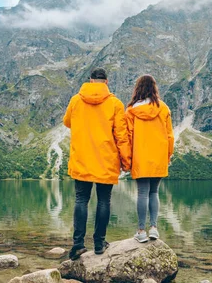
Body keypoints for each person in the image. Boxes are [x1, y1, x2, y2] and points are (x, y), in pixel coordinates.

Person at [63, 68, 131, 260]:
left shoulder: (76, 100)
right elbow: (121, 136)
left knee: (81, 200)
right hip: (106, 159)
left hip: (82, 158)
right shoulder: (115, 104)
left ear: (90, 81)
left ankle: (77, 245)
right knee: (104, 201)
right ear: (106, 82)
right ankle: (100, 243)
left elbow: (67, 122)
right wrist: (126, 161)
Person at [125, 75, 174, 242]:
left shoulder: (131, 110)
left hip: (141, 156)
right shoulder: (164, 108)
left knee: (142, 193)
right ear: (154, 88)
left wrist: (128, 159)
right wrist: (168, 155)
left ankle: (141, 231)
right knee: (154, 192)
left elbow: (128, 136)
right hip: (159, 156)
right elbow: (169, 136)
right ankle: (154, 228)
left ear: (137, 89)